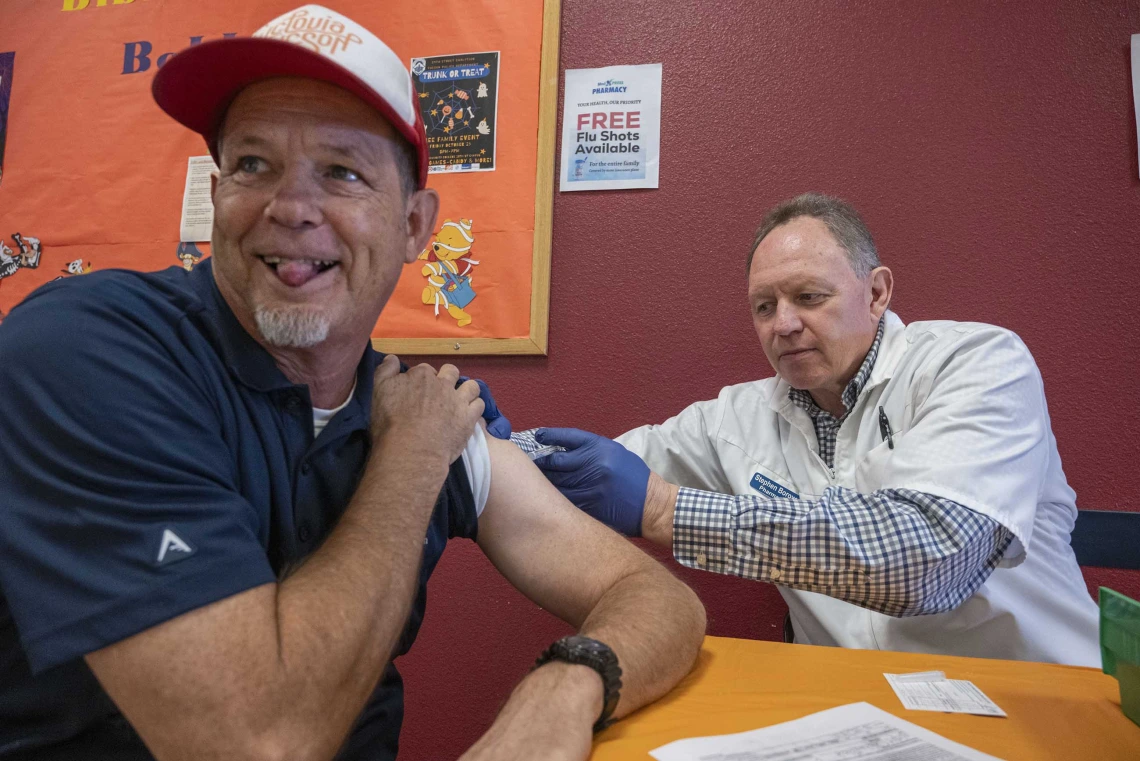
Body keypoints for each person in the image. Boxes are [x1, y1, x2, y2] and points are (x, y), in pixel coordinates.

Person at [0, 7, 705, 760]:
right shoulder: (88, 351)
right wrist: (409, 461)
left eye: (341, 172)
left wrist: (564, 685)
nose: (291, 208)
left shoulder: (422, 409)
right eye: (253, 164)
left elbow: (658, 599)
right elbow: (253, 742)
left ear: (413, 225)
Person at [523, 192, 1099, 667]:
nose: (785, 324)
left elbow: (928, 560)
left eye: (808, 297)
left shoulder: (978, 363)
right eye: (764, 307)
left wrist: (661, 509)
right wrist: (491, 445)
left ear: (876, 293)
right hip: (853, 709)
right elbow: (600, 467)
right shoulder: (737, 416)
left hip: (1030, 698)